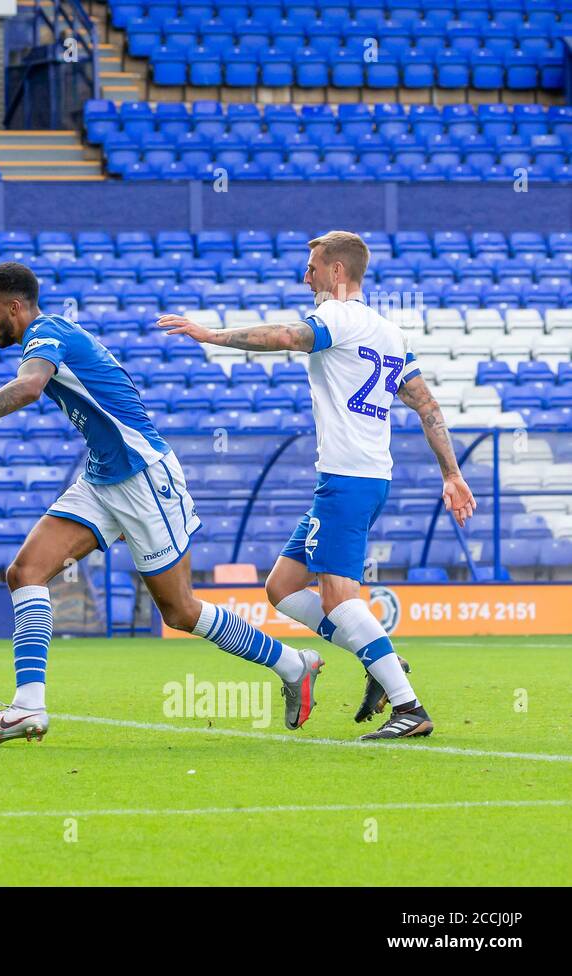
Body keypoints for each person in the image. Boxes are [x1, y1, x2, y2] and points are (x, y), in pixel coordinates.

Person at [0, 262, 323, 745]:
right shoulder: (50, 334)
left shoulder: (47, 333)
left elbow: (29, 387)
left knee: (180, 611)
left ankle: (294, 663)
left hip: (144, 477)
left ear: (14, 306)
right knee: (25, 573)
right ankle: (27, 707)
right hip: (104, 476)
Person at [158, 230, 476, 740]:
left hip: (348, 479)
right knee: (281, 587)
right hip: (364, 478)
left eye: (311, 266)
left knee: (340, 600)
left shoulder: (337, 316)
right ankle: (381, 663)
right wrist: (452, 473)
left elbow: (287, 337)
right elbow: (428, 405)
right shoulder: (389, 332)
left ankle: (408, 705)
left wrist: (212, 335)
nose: (304, 275)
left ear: (336, 271)